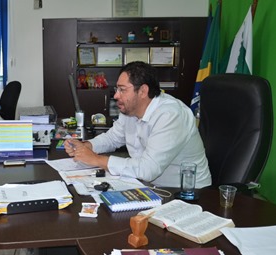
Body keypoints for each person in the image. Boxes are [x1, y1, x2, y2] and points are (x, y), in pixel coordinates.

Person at [65, 61, 211, 188]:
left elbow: (148, 169)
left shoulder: (170, 115)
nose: (116, 95)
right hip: (148, 185)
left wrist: (96, 159)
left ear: (142, 91)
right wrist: (86, 146)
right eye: (117, 89)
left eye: (122, 90)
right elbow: (112, 138)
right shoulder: (130, 109)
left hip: (186, 193)